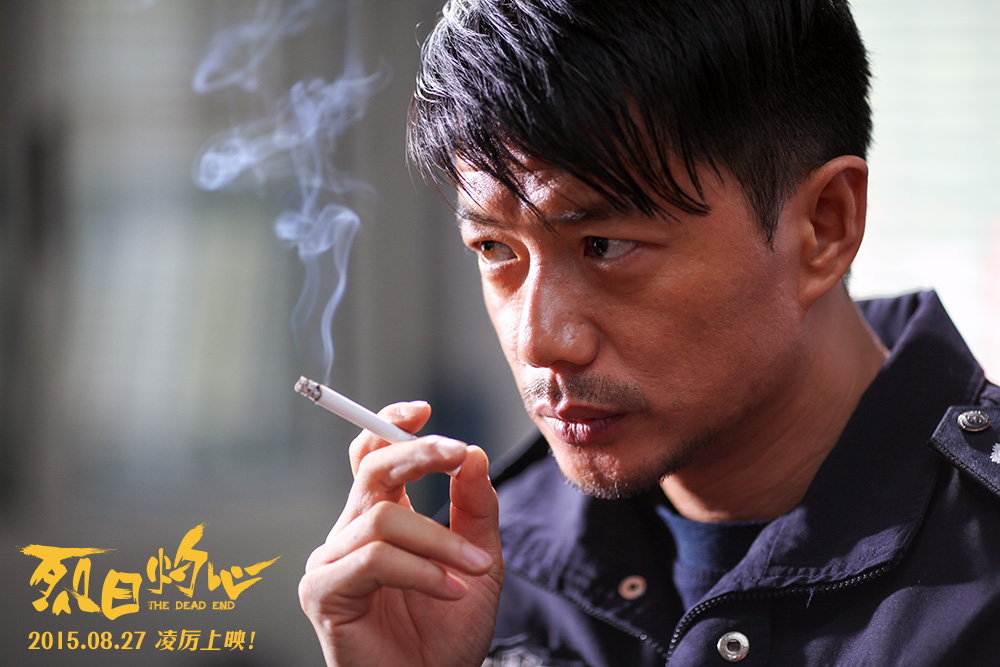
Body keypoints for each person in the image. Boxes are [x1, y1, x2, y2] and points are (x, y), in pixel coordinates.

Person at [298, 0, 1000, 664]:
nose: (539, 342)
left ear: (823, 226)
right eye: (495, 249)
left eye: (603, 245)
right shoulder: (476, 579)